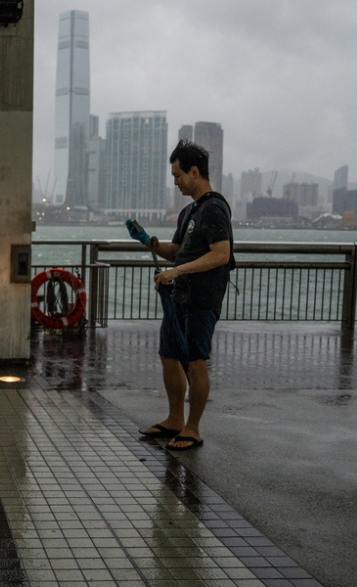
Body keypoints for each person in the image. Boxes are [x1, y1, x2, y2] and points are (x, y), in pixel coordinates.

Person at [125, 139, 233, 451]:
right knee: (169, 356)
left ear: (195, 172)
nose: (176, 182)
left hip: (201, 299)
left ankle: (193, 428)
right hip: (179, 298)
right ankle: (175, 419)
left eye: (178, 176)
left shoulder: (213, 208)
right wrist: (147, 241)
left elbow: (221, 254)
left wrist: (178, 272)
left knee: (195, 362)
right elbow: (177, 251)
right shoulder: (190, 211)